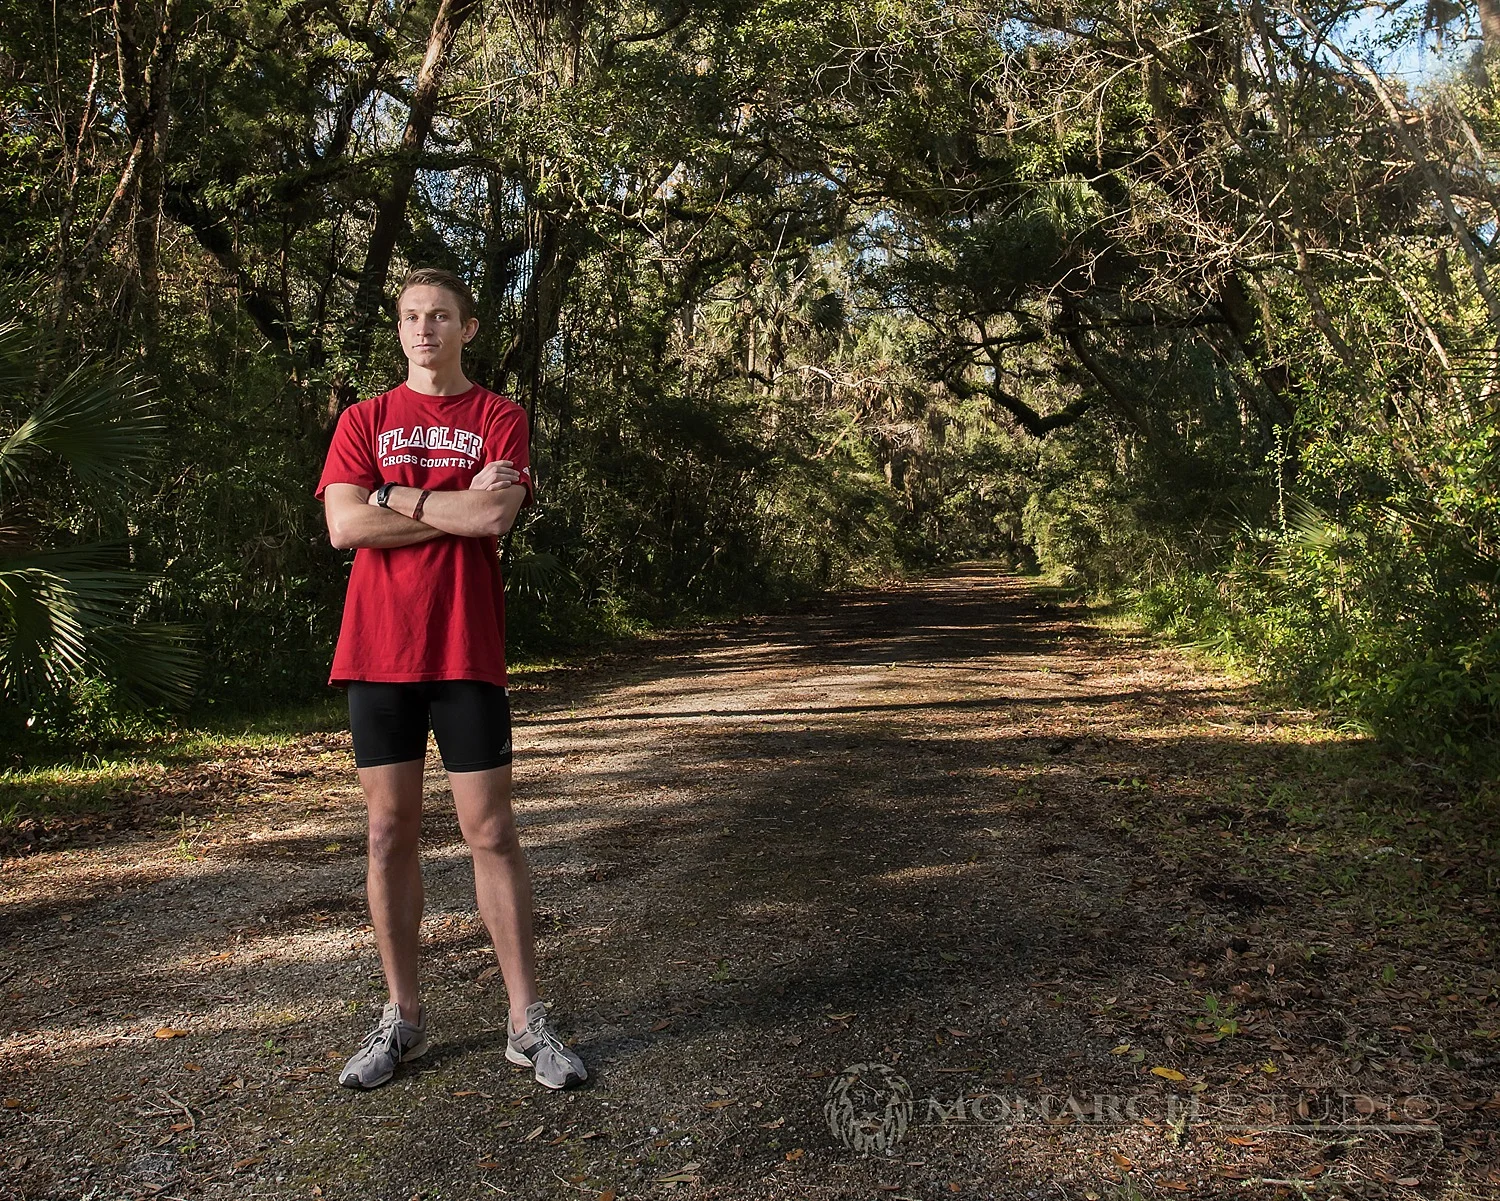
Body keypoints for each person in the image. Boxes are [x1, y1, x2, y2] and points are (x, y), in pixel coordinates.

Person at [315, 266, 586, 1091]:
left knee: (492, 832)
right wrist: (442, 500)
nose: (424, 329)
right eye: (410, 316)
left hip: (468, 650)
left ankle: (524, 1021)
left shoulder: (500, 415)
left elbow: (495, 516)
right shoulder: (364, 418)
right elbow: (342, 525)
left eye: (440, 316)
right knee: (387, 833)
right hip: (378, 651)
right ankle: (403, 1019)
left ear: (468, 328)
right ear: (397, 328)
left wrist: (397, 495)